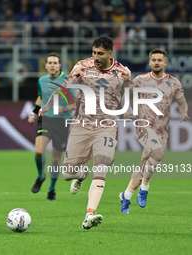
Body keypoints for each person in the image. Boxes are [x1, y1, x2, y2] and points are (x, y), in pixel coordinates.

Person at [40, 36, 132, 230]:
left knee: (102, 168)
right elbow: (64, 87)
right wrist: (48, 105)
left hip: (107, 127)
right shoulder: (82, 67)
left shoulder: (123, 73)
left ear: (110, 53)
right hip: (81, 126)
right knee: (67, 174)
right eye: (94, 53)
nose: (96, 57)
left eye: (100, 54)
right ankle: (81, 174)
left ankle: (89, 214)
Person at [119, 48, 189, 214]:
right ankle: (144, 188)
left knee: (145, 166)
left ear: (165, 62)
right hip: (144, 127)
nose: (156, 62)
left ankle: (126, 196)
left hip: (162, 131)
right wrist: (125, 109)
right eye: (154, 60)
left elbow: (182, 102)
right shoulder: (140, 80)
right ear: (149, 62)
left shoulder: (173, 82)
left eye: (160, 60)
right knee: (157, 155)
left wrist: (184, 111)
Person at [28, 52, 76, 201]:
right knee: (38, 151)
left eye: (55, 63)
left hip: (62, 122)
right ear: (46, 65)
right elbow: (41, 97)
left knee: (56, 160)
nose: (52, 65)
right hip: (46, 119)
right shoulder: (42, 80)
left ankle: (52, 189)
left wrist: (64, 109)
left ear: (59, 65)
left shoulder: (68, 81)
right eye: (50, 63)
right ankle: (41, 175)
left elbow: (78, 102)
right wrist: (33, 113)